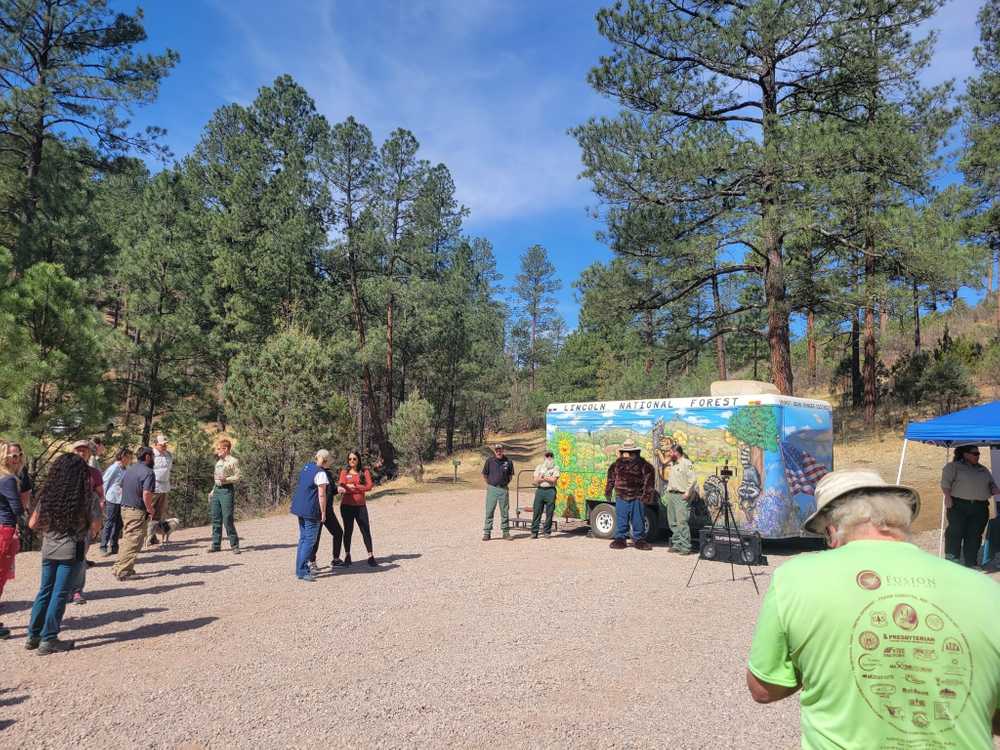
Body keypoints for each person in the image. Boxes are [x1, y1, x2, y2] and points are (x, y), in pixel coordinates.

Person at [746, 468, 1000, 749]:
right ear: (900, 520)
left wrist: (819, 663)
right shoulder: (987, 590)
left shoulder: (794, 578)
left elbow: (763, 689)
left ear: (832, 531)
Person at [26, 453, 102, 654]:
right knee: (59, 594)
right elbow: (96, 525)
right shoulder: (88, 497)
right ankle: (49, 639)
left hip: (49, 548)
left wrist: (51, 530)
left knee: (45, 591)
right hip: (71, 550)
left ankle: (33, 635)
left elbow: (32, 523)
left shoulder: (48, 495)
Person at [941, 444, 999, 567]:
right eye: (975, 453)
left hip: (980, 507)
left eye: (978, 454)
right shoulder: (953, 467)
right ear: (965, 454)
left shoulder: (983, 469)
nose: (978, 456)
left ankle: (971, 562)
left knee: (975, 534)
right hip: (958, 505)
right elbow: (945, 484)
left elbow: (991, 483)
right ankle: (952, 560)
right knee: (956, 531)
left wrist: (994, 488)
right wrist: (947, 497)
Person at [290, 449, 340, 582]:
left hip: (300, 507)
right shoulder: (321, 473)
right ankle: (302, 570)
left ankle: (299, 569)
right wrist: (323, 512)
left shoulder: (307, 467)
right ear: (324, 461)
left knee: (303, 539)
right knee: (309, 540)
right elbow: (322, 495)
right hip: (311, 510)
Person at [112, 446, 156, 581]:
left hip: (125, 508)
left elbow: (120, 485)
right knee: (134, 541)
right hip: (136, 511)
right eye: (153, 456)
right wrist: (150, 509)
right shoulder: (148, 472)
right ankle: (124, 571)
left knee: (127, 539)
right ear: (148, 457)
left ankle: (119, 567)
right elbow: (147, 493)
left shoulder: (130, 469)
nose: (154, 458)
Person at [68, 439, 104, 604]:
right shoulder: (64, 470)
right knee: (63, 556)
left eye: (85, 450)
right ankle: (63, 589)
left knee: (80, 557)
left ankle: (76, 591)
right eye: (78, 450)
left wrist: (96, 521)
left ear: (90, 453)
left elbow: (100, 495)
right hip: (66, 520)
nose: (81, 453)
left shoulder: (94, 473)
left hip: (86, 521)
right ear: (72, 452)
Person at [604, 438, 655, 551]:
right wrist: (608, 490)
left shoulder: (643, 464)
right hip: (621, 496)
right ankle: (620, 538)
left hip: (637, 496)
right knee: (621, 518)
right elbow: (610, 478)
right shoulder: (616, 464)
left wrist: (647, 495)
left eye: (629, 451)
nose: (626, 454)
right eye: (624, 451)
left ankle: (639, 539)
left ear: (635, 452)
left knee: (638, 519)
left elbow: (649, 479)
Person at [0, 441, 25, 640]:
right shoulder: (7, 480)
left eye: (18, 455)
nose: (16, 459)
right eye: (12, 456)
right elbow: (17, 508)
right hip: (5, 530)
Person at [339, 450, 376, 567]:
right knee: (348, 531)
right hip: (346, 506)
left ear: (358, 459)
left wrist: (355, 487)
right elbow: (342, 487)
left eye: (354, 459)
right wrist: (353, 488)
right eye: (350, 459)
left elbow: (369, 486)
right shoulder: (344, 472)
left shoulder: (364, 472)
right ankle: (347, 555)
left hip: (360, 506)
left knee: (365, 530)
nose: (352, 461)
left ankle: (370, 556)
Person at [664, 443, 698, 555]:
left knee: (682, 521)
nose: (669, 454)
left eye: (671, 452)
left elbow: (692, 479)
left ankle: (685, 547)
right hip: (671, 495)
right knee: (672, 522)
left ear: (676, 452)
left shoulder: (686, 463)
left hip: (681, 495)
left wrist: (688, 492)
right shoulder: (673, 463)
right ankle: (677, 544)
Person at [209, 439, 241, 555]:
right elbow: (216, 478)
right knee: (216, 518)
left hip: (227, 490)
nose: (217, 451)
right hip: (217, 490)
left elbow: (237, 477)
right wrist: (213, 491)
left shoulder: (233, 461)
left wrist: (226, 479)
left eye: (219, 449)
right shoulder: (218, 462)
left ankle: (235, 545)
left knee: (227, 518)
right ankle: (216, 544)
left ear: (225, 449)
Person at [99, 447, 133, 556]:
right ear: (122, 457)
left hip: (122, 499)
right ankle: (103, 546)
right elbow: (105, 482)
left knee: (119, 523)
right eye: (128, 457)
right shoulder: (114, 468)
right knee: (110, 521)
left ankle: (114, 545)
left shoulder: (126, 469)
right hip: (112, 498)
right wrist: (102, 497)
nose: (130, 459)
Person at [481, 442, 514, 541]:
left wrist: (504, 483)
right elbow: (485, 474)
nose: (498, 452)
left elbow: (510, 476)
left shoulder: (508, 461)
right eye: (497, 450)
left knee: (504, 511)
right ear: (495, 451)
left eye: (500, 450)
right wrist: (491, 484)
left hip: (503, 489)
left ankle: (506, 532)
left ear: (503, 450)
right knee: (489, 510)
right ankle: (487, 532)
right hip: (492, 489)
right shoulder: (489, 461)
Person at [148, 434, 173, 544]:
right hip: (153, 487)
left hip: (164, 487)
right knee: (150, 512)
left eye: (165, 444)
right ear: (155, 444)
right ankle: (147, 537)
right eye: (162, 444)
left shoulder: (168, 455)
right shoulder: (151, 455)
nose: (164, 446)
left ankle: (153, 536)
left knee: (159, 513)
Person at [530, 450, 560, 539]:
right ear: (545, 457)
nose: (549, 458)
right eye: (547, 456)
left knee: (549, 512)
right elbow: (535, 480)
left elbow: (554, 480)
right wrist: (547, 478)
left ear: (553, 457)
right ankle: (534, 532)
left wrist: (543, 477)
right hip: (540, 491)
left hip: (550, 491)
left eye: (551, 456)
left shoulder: (556, 467)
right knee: (537, 511)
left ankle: (547, 531)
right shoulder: (539, 467)